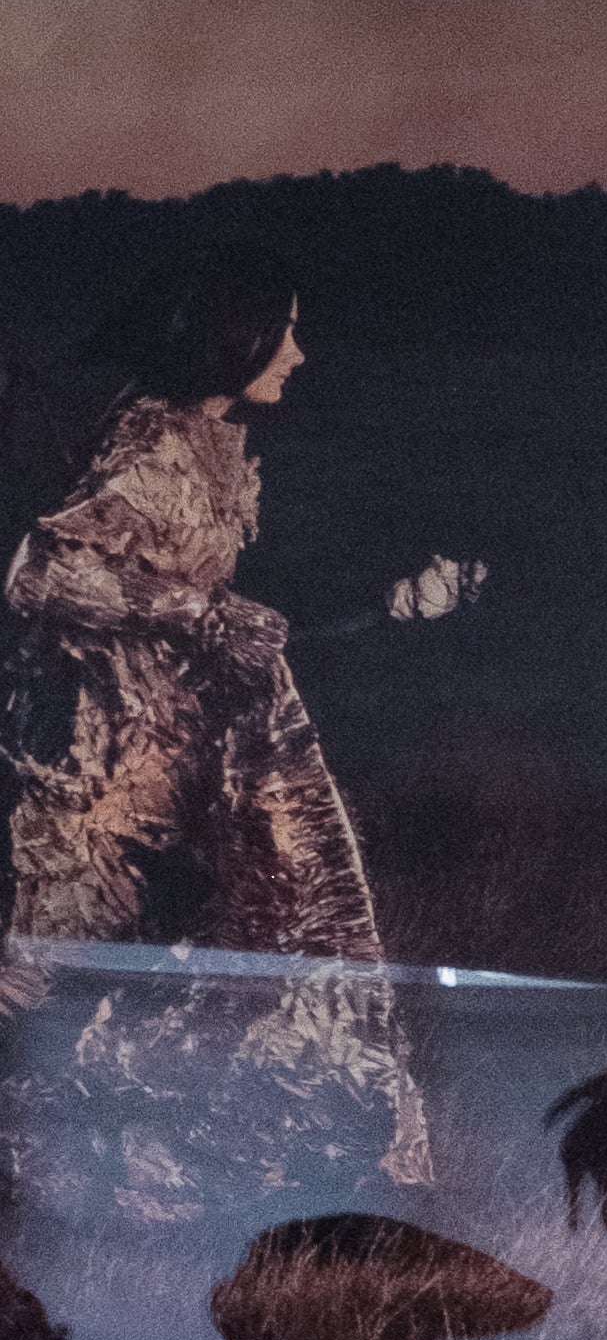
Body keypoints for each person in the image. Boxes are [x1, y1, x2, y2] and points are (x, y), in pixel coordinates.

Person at [0, 251, 431, 1216]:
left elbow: (232, 600)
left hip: (174, 761)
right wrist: (198, 613)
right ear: (231, 341)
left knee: (138, 983)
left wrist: (385, 604)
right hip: (91, 765)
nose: (301, 353)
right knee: (46, 980)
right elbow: (38, 575)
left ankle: (120, 1195)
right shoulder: (150, 448)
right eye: (284, 331)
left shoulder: (214, 443)